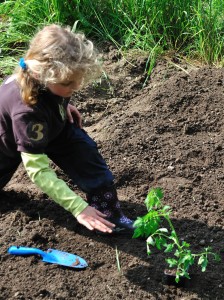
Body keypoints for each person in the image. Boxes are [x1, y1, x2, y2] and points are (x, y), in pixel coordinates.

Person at [0, 24, 134, 234]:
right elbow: (39, 171)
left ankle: (109, 213)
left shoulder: (47, 83)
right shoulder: (27, 113)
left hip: (49, 125)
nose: (77, 87)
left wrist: (61, 104)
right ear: (41, 74)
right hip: (5, 148)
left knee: (84, 150)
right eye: (69, 83)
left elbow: (49, 96)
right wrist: (78, 208)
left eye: (78, 80)